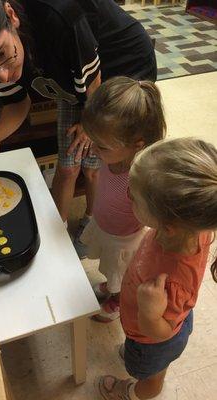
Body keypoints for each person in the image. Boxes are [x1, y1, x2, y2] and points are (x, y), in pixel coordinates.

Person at [0, 0, 157, 227]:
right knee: (69, 164)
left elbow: (94, 87)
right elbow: (16, 104)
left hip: (121, 66)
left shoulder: (61, 15)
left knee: (105, 163)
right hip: (77, 76)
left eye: (1, 55)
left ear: (11, 16)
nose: (4, 75)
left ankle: (98, 222)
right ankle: (63, 230)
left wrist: (89, 126)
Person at [95, 137, 217, 399]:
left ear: (168, 223)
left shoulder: (171, 280)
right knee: (138, 355)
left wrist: (150, 314)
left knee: (150, 377)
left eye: (133, 197)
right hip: (143, 330)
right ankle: (134, 352)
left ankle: (130, 392)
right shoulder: (190, 228)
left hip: (154, 340)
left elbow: (162, 332)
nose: (128, 195)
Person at [78, 76, 166, 322]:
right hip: (105, 226)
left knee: (122, 274)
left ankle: (118, 299)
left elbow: (153, 217)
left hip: (123, 240)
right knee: (109, 268)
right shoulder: (111, 156)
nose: (93, 149)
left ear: (137, 146)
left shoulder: (138, 179)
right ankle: (111, 284)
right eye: (92, 141)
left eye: (102, 146)